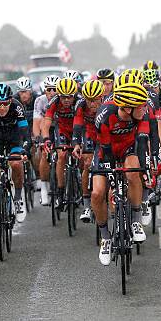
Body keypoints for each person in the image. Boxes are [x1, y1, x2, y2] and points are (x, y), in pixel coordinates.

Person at [92, 77, 151, 266]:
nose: (144, 109)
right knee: (97, 193)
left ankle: (135, 219)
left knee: (133, 172)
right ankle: (106, 238)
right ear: (127, 108)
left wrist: (146, 169)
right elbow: (106, 150)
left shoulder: (142, 114)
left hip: (128, 149)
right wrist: (111, 177)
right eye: (139, 106)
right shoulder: (105, 115)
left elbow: (142, 142)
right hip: (105, 151)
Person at [0, 82, 29, 233]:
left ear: (11, 100)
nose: (2, 107)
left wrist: (25, 149)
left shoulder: (17, 106)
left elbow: (24, 131)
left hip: (13, 138)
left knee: (16, 164)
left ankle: (18, 197)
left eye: (5, 103)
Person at [41, 78, 80, 209]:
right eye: (63, 97)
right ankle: (60, 192)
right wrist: (46, 139)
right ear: (59, 95)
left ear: (74, 95)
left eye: (69, 97)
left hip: (78, 130)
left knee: (83, 157)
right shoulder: (54, 101)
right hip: (62, 130)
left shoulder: (80, 101)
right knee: (61, 156)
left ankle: (80, 182)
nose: (66, 100)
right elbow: (46, 122)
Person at [72, 79, 105, 223]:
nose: (92, 104)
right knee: (87, 163)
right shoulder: (80, 105)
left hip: (105, 134)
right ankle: (86, 205)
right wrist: (76, 144)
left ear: (102, 97)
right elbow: (78, 125)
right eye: (89, 100)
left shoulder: (109, 104)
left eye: (95, 100)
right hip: (90, 134)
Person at [33, 75, 59, 205]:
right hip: (46, 128)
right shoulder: (40, 100)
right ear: (45, 90)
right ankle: (44, 188)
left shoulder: (63, 100)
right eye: (49, 89)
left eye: (55, 89)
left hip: (60, 128)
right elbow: (37, 122)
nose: (52, 92)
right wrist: (39, 139)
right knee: (44, 153)